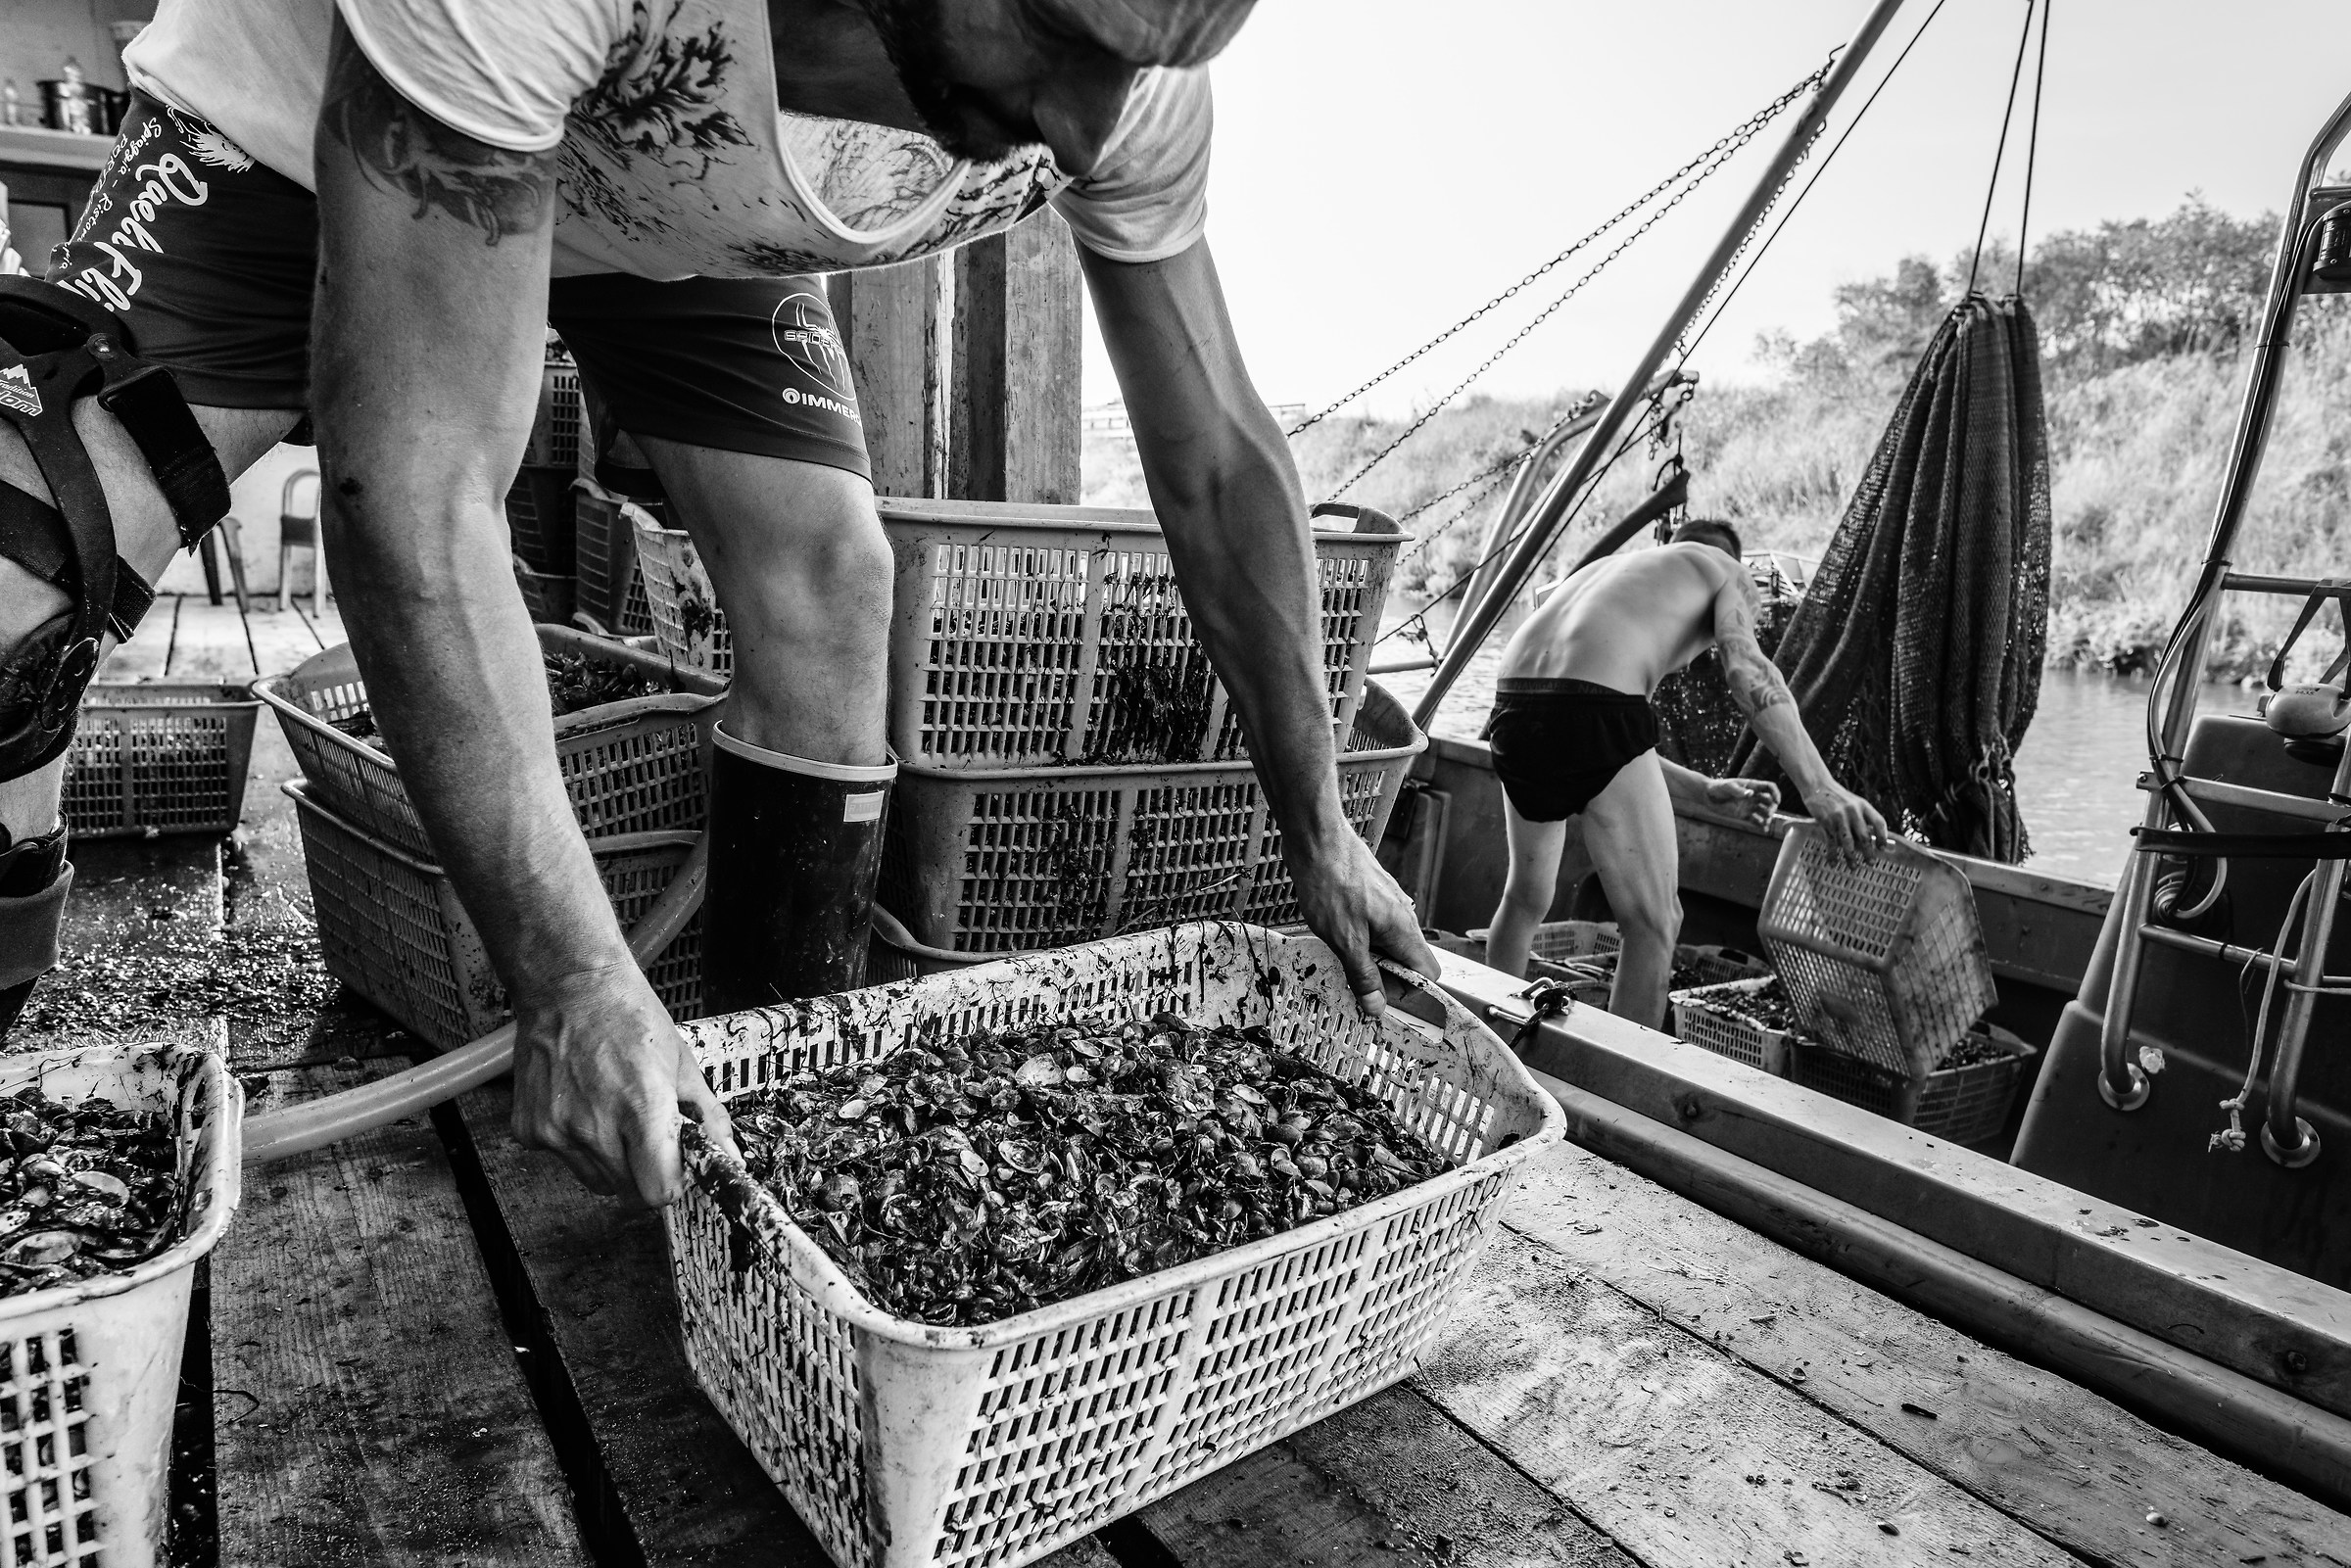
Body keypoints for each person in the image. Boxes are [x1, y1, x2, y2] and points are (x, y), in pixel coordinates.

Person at [0, 0, 1437, 1208]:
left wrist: (1318, 829)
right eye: (1058, 34)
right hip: (319, 128)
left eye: (1136, 67)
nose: (1083, 124)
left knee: (832, 583)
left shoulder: (1128, 103)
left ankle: (765, 1149)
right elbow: (422, 493)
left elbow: (1220, 461)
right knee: (17, 597)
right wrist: (566, 977)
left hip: (667, 214)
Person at [1481, 517, 1889, 1026]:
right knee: (1654, 924)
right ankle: (1619, 1092)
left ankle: (1483, 1054)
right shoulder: (1727, 571)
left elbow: (1599, 733)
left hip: (1513, 707)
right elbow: (1747, 672)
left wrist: (1706, 789)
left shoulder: (1613, 573)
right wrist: (1821, 787)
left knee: (1524, 900)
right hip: (1594, 704)